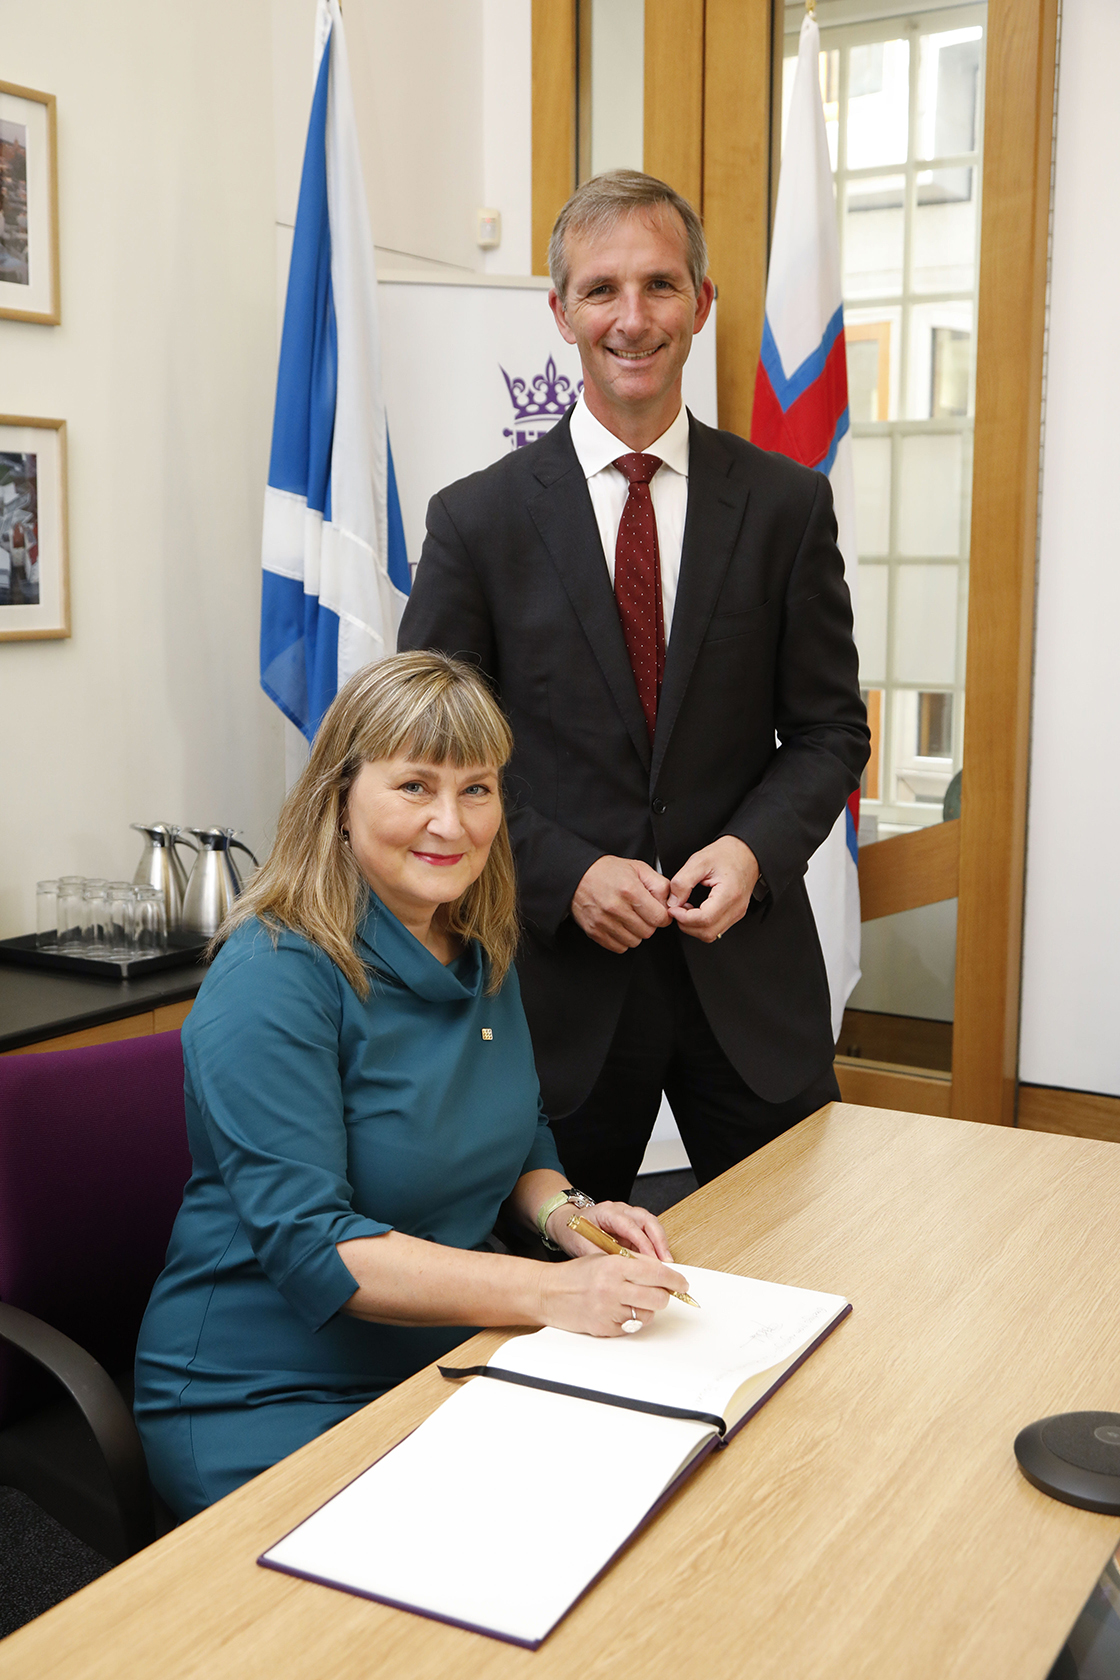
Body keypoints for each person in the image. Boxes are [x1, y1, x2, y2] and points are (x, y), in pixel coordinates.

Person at [398, 170, 870, 1204]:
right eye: (602, 288)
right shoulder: (475, 524)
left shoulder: (787, 507)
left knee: (805, 1268)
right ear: (560, 311)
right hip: (551, 999)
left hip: (746, 984)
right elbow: (428, 757)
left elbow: (831, 728)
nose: (632, 316)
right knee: (545, 1300)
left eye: (659, 285)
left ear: (701, 305)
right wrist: (566, 873)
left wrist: (750, 851)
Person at [134, 651, 684, 1519]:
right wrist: (550, 1292)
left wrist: (570, 1217)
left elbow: (519, 1135)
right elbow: (321, 1248)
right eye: (415, 787)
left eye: (477, 789)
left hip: (445, 1355)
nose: (452, 823)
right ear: (339, 800)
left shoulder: (479, 942)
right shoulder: (274, 975)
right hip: (271, 1393)